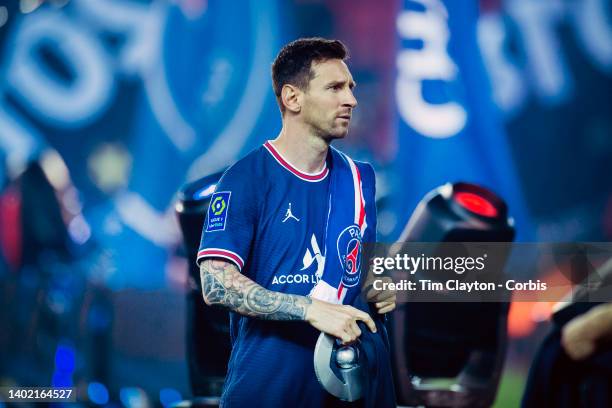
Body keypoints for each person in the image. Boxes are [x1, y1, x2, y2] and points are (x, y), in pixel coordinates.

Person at [197, 38, 396, 407]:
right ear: (292, 98)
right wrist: (310, 308)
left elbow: (356, 267)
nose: (351, 100)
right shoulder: (245, 179)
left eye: (350, 88)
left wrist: (378, 285)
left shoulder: (360, 180)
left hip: (353, 385)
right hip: (270, 389)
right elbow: (215, 283)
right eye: (335, 88)